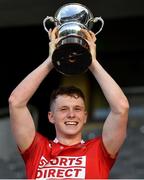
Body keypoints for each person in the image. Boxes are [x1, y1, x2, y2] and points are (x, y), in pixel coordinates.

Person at [8, 27, 129, 179]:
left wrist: (92, 62)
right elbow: (16, 102)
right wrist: (50, 61)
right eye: (63, 109)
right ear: (51, 116)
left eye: (77, 109)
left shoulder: (99, 151)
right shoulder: (37, 149)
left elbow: (121, 107)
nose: (71, 114)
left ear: (85, 116)